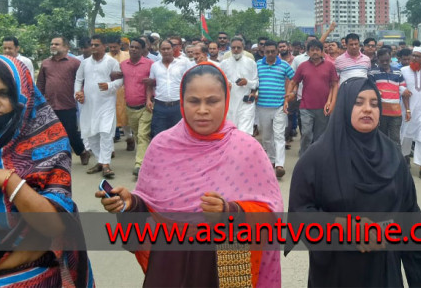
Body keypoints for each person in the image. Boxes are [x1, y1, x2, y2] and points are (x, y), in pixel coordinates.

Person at [97, 63, 283, 287]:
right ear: (182, 101)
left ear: (226, 101)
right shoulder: (161, 146)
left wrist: (230, 211)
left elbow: (271, 215)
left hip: (229, 263)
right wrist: (131, 203)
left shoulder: (247, 148)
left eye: (212, 101)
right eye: (194, 101)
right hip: (170, 262)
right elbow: (149, 208)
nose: (202, 110)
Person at [288, 77, 421, 287]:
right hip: (336, 270)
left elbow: (409, 212)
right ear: (345, 107)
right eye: (359, 103)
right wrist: (345, 227)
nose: (368, 109)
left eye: (374, 104)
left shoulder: (392, 154)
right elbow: (300, 213)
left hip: (384, 266)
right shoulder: (316, 158)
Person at [0, 55, 93, 287]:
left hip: (27, 267)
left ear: (23, 96)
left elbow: (51, 227)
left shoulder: (47, 144)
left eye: (4, 94)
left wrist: (7, 180)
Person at [37, 36, 91, 165]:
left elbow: (83, 81)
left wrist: (82, 93)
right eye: (52, 44)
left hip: (68, 104)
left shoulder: (74, 63)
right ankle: (56, 159)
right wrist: (38, 101)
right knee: (51, 134)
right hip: (49, 105)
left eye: (57, 44)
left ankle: (82, 152)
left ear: (66, 47)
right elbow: (40, 83)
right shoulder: (45, 63)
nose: (53, 46)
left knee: (71, 133)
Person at [76, 35, 122, 178]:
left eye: (97, 45)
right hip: (89, 104)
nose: (93, 48)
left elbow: (120, 80)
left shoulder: (112, 62)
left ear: (104, 46)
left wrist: (109, 85)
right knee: (91, 134)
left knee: (105, 133)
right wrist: (77, 93)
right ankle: (100, 161)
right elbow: (78, 79)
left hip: (106, 103)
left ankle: (106, 164)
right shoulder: (85, 63)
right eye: (92, 45)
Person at [285, 39, 338, 157]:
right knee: (307, 134)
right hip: (305, 106)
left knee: (320, 136)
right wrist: (289, 95)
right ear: (308, 52)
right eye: (312, 50)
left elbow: (334, 85)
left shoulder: (329, 66)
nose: (315, 52)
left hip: (323, 107)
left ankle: (317, 158)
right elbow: (294, 82)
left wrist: (332, 103)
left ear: (322, 51)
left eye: (317, 50)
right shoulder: (303, 66)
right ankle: (303, 157)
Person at [112, 38, 154, 176]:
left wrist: (153, 84)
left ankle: (139, 165)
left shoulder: (150, 64)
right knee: (137, 135)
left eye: (137, 47)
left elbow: (157, 81)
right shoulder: (123, 65)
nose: (133, 49)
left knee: (143, 135)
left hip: (146, 107)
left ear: (142, 50)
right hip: (130, 107)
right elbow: (118, 79)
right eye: (131, 47)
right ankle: (147, 157)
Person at [256, 40, 295, 178]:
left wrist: (290, 94)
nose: (271, 54)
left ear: (277, 52)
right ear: (264, 51)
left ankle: (279, 165)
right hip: (262, 106)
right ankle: (271, 159)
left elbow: (294, 80)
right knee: (266, 137)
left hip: (279, 106)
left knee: (279, 135)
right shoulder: (258, 65)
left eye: (273, 51)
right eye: (268, 52)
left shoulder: (284, 65)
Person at [147, 40, 194, 139]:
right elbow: (150, 84)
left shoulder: (183, 64)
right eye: (163, 49)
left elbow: (190, 81)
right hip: (160, 106)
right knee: (159, 135)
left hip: (178, 106)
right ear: (160, 51)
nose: (166, 51)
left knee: (180, 135)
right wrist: (148, 99)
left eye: (168, 48)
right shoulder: (155, 66)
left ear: (173, 50)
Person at [400, 47, 421, 180]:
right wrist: (402, 90)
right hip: (407, 110)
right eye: (413, 56)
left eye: (418, 56)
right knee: (405, 137)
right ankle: (404, 162)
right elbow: (397, 85)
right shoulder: (403, 71)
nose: (414, 58)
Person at [219, 37, 258, 135]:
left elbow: (256, 83)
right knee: (230, 133)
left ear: (243, 48)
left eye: (238, 48)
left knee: (244, 133)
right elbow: (219, 82)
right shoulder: (224, 64)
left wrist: (247, 82)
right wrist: (226, 84)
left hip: (246, 103)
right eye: (233, 48)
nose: (236, 50)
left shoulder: (251, 63)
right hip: (230, 104)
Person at [369, 47, 409, 145]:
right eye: (382, 61)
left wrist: (408, 110)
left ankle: (396, 160)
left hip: (396, 113)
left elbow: (403, 90)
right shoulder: (372, 73)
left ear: (391, 58)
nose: (385, 63)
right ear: (377, 59)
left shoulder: (398, 72)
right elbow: (371, 91)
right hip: (380, 113)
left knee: (395, 139)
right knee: (381, 138)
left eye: (387, 60)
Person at [107, 35, 132, 149]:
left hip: (125, 90)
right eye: (110, 47)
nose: (112, 49)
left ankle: (129, 138)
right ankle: (109, 147)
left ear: (120, 46)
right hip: (109, 91)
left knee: (125, 117)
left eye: (115, 47)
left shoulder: (127, 55)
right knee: (109, 119)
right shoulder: (104, 57)